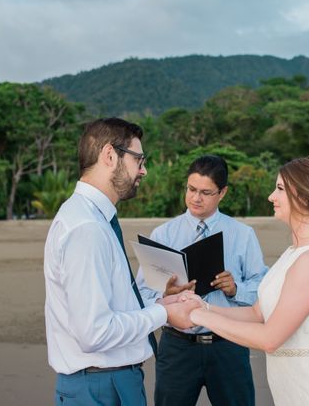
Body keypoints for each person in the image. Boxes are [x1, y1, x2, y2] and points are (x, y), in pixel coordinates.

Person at [43, 117, 198, 406]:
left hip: (107, 381)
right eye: (139, 159)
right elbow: (95, 332)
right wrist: (164, 316)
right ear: (109, 155)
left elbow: (109, 306)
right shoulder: (87, 228)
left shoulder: (92, 217)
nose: (144, 170)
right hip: (101, 385)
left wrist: (160, 303)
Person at [187, 156, 309, 405]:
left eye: (279, 188)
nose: (271, 196)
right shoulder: (294, 253)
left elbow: (270, 338)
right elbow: (258, 313)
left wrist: (198, 317)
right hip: (292, 391)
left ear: (303, 197)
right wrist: (201, 306)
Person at [137, 155, 268, 406]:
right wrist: (166, 295)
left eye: (206, 192)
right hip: (177, 347)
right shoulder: (163, 234)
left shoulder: (243, 234)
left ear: (223, 193)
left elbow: (263, 290)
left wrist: (235, 289)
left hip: (229, 344)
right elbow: (141, 293)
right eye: (191, 189)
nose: (196, 198)